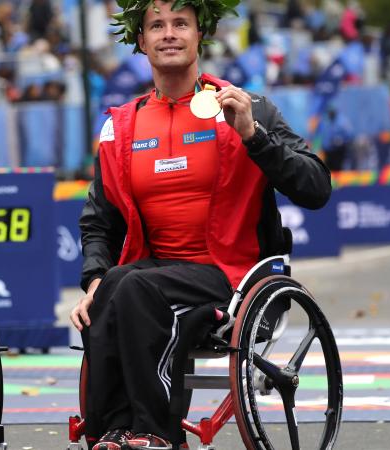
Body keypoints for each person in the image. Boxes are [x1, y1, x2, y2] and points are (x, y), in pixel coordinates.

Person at [70, 2, 332, 449]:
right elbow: (100, 220)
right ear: (141, 40)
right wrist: (94, 278)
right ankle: (112, 431)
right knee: (113, 284)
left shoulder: (250, 108)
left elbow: (316, 187)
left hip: (232, 276)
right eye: (156, 25)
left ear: (200, 35)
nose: (168, 33)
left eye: (180, 24)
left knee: (134, 287)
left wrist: (254, 137)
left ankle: (156, 431)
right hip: (154, 271)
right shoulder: (122, 126)